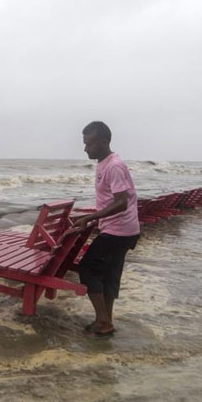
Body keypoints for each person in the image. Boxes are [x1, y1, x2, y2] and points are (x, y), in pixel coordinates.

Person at [71, 121, 140, 338]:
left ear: (103, 142)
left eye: (89, 144)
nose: (85, 149)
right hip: (122, 229)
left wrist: (91, 217)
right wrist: (94, 219)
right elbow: (109, 200)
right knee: (109, 274)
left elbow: (121, 202)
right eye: (84, 144)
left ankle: (103, 321)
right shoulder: (105, 163)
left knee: (88, 269)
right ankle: (105, 320)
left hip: (119, 231)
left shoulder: (114, 166)